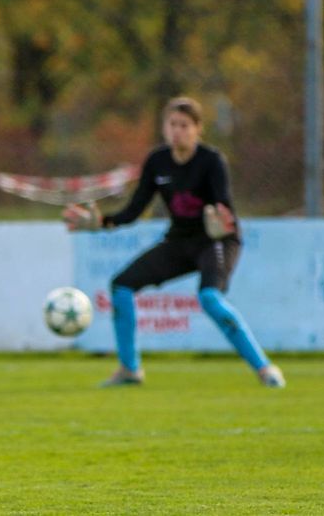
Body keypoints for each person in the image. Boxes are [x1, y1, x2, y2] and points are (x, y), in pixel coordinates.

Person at [64, 97, 285, 389]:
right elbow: (133, 210)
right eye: (172, 125)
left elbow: (224, 206)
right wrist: (101, 222)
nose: (177, 131)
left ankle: (265, 369)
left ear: (197, 129)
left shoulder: (211, 161)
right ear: (165, 128)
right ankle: (130, 370)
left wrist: (222, 221)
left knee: (209, 298)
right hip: (180, 241)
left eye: (184, 125)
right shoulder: (157, 162)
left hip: (216, 240)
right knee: (121, 286)